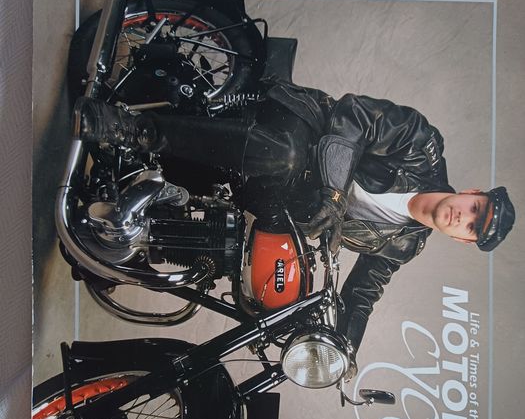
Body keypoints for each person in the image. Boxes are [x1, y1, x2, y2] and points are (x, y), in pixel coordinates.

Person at [74, 78, 515, 375]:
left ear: (461, 239)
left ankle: (134, 246)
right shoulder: (423, 147)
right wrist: (335, 194)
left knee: (259, 266)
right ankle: (132, 129)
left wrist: (345, 351)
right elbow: (354, 117)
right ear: (472, 191)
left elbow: (363, 293)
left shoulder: (404, 244)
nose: (464, 216)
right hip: (305, 130)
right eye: (475, 208)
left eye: (472, 227)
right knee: (282, 157)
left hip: (291, 200)